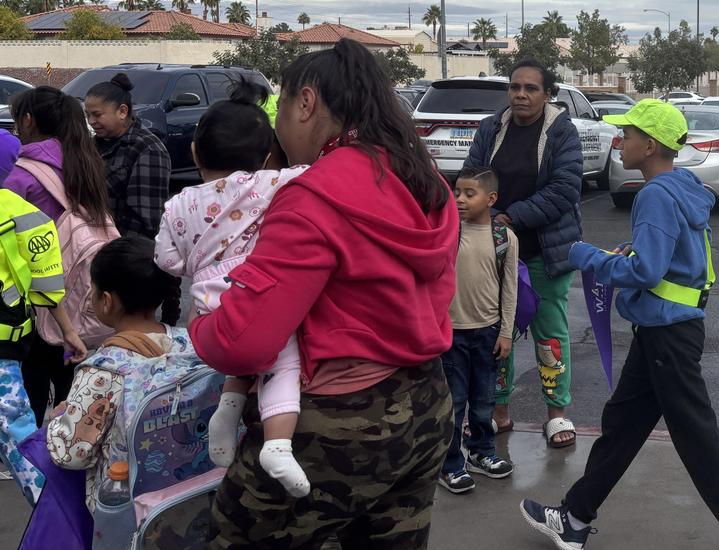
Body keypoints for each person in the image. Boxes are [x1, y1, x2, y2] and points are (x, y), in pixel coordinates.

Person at [190, 38, 456, 547]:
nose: (279, 126)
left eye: (282, 108)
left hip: (335, 424)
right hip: (425, 402)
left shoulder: (315, 195)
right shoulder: (423, 179)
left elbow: (246, 340)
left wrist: (204, 322)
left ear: (306, 103)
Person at [520, 99, 719, 550]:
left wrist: (588, 256)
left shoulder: (654, 195)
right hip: (665, 332)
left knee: (696, 435)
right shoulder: (681, 186)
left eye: (630, 135)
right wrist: (630, 251)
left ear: (650, 145)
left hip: (668, 335)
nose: (622, 140)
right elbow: (673, 259)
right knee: (622, 426)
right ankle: (574, 520)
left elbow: (648, 274)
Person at [153, 81, 312, 497]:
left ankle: (228, 410)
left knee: (241, 355)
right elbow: (318, 174)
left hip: (207, 301)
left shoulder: (178, 203)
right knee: (282, 359)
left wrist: (197, 260)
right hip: (254, 290)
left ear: (194, 152)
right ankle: (278, 444)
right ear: (265, 155)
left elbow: (167, 262)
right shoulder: (275, 183)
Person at [464, 59, 583, 448]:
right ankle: (498, 413)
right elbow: (471, 178)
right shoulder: (491, 128)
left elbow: (565, 190)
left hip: (544, 253)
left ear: (547, 94)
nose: (520, 94)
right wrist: (482, 213)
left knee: (550, 336)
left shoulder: (562, 132)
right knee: (498, 335)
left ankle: (557, 414)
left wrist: (509, 218)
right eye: (515, 87)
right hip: (495, 256)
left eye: (531, 88)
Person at [44, 235, 195, 511]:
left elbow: (72, 454)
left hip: (127, 509)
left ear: (107, 300)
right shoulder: (192, 345)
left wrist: (57, 420)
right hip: (187, 494)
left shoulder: (103, 368)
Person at [5, 86, 113, 426]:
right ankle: (68, 444)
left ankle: (34, 452)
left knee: (33, 378)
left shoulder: (23, 173)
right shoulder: (84, 158)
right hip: (80, 278)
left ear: (27, 120)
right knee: (68, 368)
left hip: (39, 288)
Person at [439, 166, 517, 495]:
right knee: (455, 404)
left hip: (488, 333)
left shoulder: (504, 239)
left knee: (484, 402)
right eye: (457, 192)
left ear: (491, 199)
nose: (460, 199)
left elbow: (510, 288)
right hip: (451, 333)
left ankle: (482, 454)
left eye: (470, 194)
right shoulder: (447, 232)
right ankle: (451, 464)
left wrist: (506, 332)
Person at [0, 134, 66, 505]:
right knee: (18, 433)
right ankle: (50, 509)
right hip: (5, 345)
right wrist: (69, 331)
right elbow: (47, 289)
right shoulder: (24, 214)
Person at [84, 73, 178, 326]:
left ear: (122, 111)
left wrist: (118, 258)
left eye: (97, 114)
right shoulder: (95, 145)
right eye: (88, 115)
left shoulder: (147, 148)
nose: (92, 122)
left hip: (124, 258)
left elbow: (146, 220)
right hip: (95, 248)